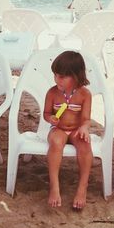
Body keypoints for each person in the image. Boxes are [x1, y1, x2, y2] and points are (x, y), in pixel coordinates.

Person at [43, 51, 93, 210]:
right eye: (56, 75)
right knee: (56, 143)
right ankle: (54, 186)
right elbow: (46, 113)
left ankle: (82, 187)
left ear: (76, 76)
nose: (57, 80)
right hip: (58, 128)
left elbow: (86, 119)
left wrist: (84, 128)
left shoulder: (85, 94)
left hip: (77, 129)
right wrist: (50, 118)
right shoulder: (52, 93)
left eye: (62, 76)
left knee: (85, 147)